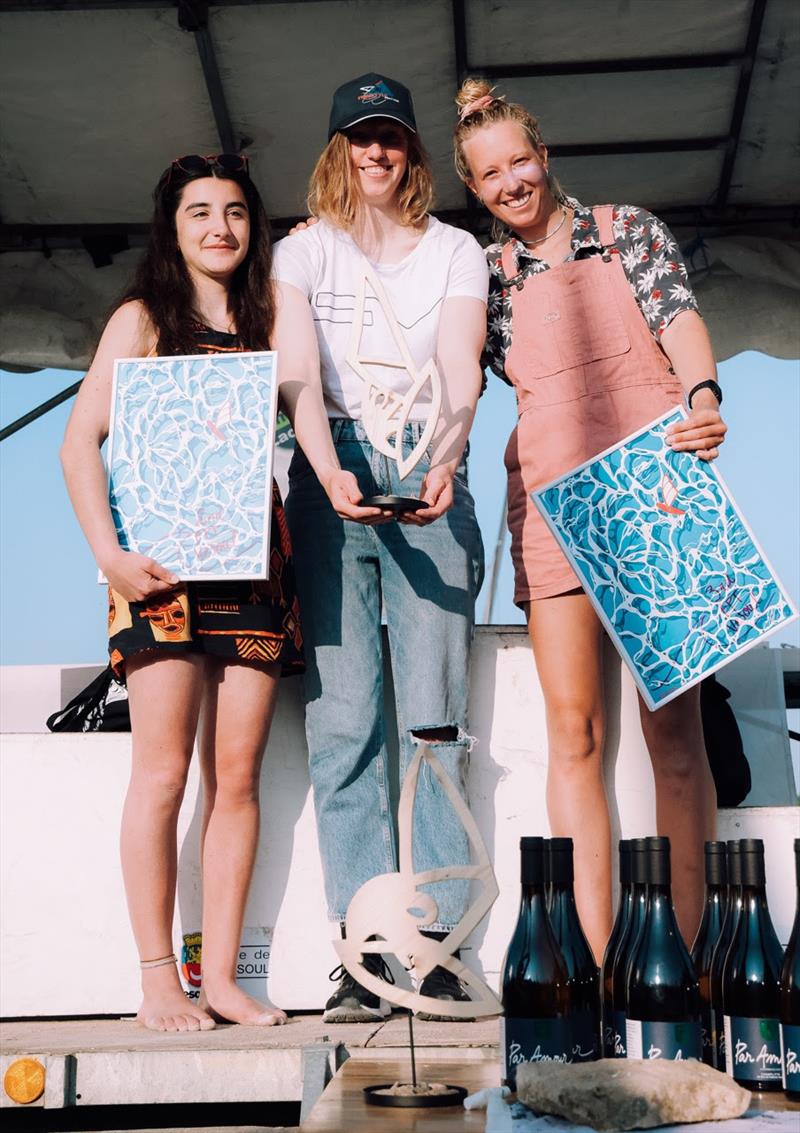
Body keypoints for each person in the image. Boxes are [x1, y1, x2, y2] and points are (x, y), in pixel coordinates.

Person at [453, 79, 727, 959]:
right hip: (554, 503)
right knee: (574, 733)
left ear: (545, 157)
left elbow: (679, 318)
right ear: (475, 188)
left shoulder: (628, 230)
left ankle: (687, 961)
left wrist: (704, 392)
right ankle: (601, 966)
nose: (509, 184)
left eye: (518, 162)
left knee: (673, 731)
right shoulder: (485, 280)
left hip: (659, 488)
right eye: (489, 175)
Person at [60, 153, 312, 1031]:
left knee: (234, 778)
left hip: (249, 568)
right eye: (201, 211)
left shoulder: (273, 316)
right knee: (161, 773)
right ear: (172, 226)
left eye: (237, 211)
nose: (220, 227)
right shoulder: (140, 319)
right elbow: (77, 444)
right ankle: (158, 979)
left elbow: (309, 421)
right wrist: (110, 554)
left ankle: (223, 978)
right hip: (156, 575)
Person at [271, 73, 488, 1022]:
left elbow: (461, 368)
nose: (376, 152)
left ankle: (436, 947)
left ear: (412, 150)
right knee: (346, 719)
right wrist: (327, 475)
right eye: (359, 136)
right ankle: (366, 953)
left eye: (391, 136)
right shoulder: (300, 251)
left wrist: (442, 461)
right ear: (337, 149)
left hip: (427, 458)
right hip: (330, 469)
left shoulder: (457, 249)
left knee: (431, 720)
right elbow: (298, 376)